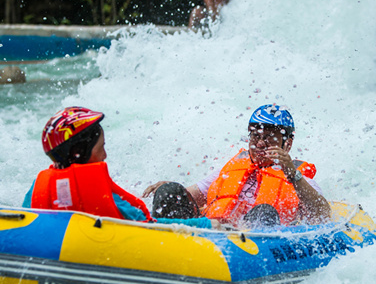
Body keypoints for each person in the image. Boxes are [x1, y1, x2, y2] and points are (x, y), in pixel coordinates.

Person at [22, 106, 214, 229]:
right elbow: (151, 226)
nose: (105, 156)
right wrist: (207, 224)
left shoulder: (38, 188)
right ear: (79, 152)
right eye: (101, 147)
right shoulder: (103, 195)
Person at [143, 104, 331, 228]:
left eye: (269, 138)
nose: (260, 143)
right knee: (169, 191)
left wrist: (292, 174)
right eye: (256, 136)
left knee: (264, 212)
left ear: (287, 144)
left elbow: (322, 216)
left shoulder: (299, 180)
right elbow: (192, 196)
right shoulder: (229, 170)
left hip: (254, 249)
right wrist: (170, 189)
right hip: (210, 235)